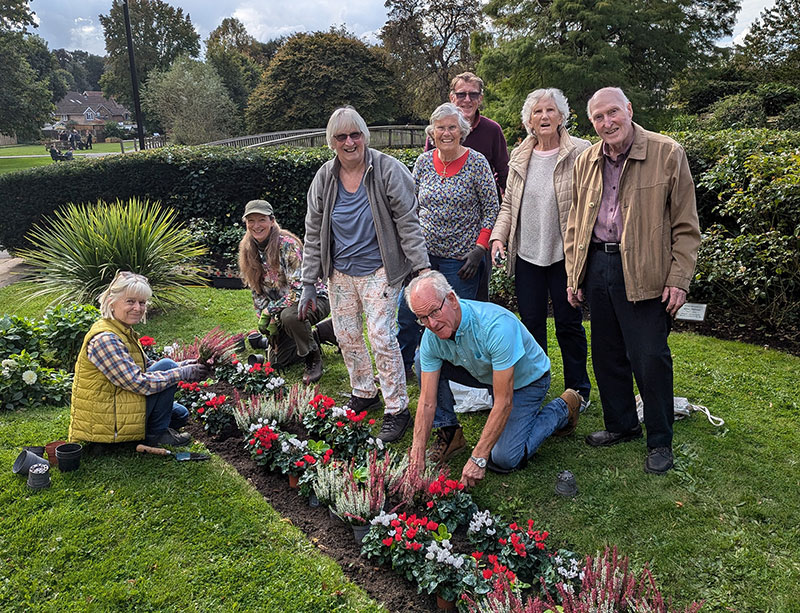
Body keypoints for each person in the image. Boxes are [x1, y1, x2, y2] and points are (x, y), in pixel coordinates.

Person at [564, 87, 701, 474]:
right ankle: (621, 424)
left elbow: (687, 226)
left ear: (629, 110)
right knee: (606, 354)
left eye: (613, 113)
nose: (607, 123)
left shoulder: (666, 152)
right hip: (598, 266)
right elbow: (576, 222)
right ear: (591, 123)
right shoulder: (587, 159)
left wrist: (678, 278)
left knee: (649, 357)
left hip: (645, 270)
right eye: (598, 118)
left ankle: (660, 440)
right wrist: (574, 274)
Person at [302, 106, 430, 443]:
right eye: (341, 136)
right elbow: (313, 232)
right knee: (346, 335)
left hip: (380, 270)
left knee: (382, 337)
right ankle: (363, 391)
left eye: (355, 134)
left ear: (365, 136)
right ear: (332, 142)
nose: (349, 142)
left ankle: (397, 408)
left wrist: (422, 268)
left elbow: (408, 223)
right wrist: (307, 283)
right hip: (340, 272)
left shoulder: (388, 170)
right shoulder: (324, 178)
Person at [407, 271, 581, 486]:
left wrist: (478, 458)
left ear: (451, 299)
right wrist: (417, 452)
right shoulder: (432, 335)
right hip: (486, 374)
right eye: (423, 318)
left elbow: (504, 401)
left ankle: (562, 408)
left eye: (434, 312)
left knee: (504, 458)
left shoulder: (495, 327)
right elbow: (426, 401)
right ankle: (451, 433)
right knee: (423, 362)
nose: (431, 324)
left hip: (527, 382)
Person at [490, 88, 591, 410]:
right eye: (537, 112)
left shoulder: (582, 152)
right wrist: (497, 237)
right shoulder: (520, 156)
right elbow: (508, 205)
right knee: (531, 324)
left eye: (550, 110)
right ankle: (536, 384)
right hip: (528, 255)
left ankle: (579, 390)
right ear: (528, 121)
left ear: (562, 116)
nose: (544, 117)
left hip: (565, 255)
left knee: (568, 324)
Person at [397, 103, 499, 379]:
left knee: (454, 321)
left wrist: (480, 248)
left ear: (462, 131)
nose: (446, 132)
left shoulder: (477, 163)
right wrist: (411, 251)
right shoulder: (423, 162)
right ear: (432, 131)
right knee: (407, 314)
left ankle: (459, 377)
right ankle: (403, 367)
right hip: (424, 259)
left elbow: (492, 208)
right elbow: (409, 207)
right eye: (441, 127)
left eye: (452, 127)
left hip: (462, 261)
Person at [68, 271, 209, 446]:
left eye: (142, 302)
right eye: (130, 301)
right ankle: (155, 435)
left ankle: (148, 430)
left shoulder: (121, 330)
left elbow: (147, 365)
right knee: (168, 367)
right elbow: (137, 382)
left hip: (117, 403)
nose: (138, 308)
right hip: (106, 421)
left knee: (180, 414)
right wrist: (181, 373)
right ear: (112, 302)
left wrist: (186, 364)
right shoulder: (106, 339)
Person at [426, 72, 510, 302]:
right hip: (434, 247)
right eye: (461, 94)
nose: (467, 99)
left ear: (481, 98)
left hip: (473, 240)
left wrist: (496, 234)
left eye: (473, 94)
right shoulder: (438, 129)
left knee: (472, 302)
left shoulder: (492, 131)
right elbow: (427, 181)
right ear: (452, 97)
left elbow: (505, 177)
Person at [238, 198, 332, 384]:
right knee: (278, 362)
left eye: (261, 219)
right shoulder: (248, 248)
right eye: (251, 221)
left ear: (272, 221)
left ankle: (313, 359)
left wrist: (271, 311)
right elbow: (256, 290)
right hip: (281, 307)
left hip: (313, 298)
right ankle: (321, 334)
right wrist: (264, 318)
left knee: (290, 316)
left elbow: (299, 290)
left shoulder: (287, 244)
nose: (256, 225)